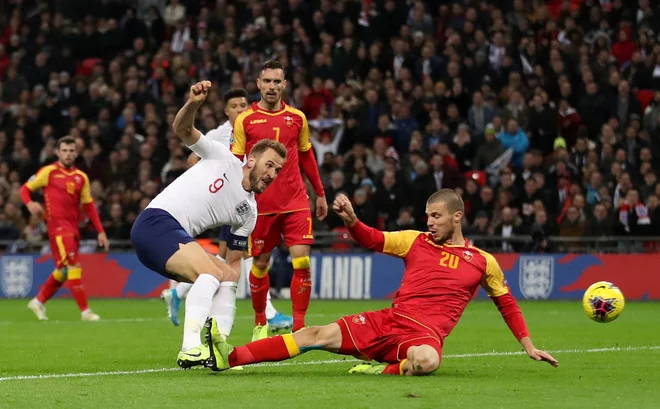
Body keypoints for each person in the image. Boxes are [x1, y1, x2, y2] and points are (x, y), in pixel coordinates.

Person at [203, 189, 559, 375]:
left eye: (436, 217)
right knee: (315, 335)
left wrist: (528, 345)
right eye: (427, 216)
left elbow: (507, 303)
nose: (430, 222)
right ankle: (229, 358)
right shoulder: (414, 240)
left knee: (429, 362)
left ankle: (389, 368)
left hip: (423, 337)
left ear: (457, 216)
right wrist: (353, 221)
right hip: (389, 321)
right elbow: (372, 239)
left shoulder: (483, 262)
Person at [130, 81, 287, 368]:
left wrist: (229, 277)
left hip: (172, 235)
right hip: (155, 222)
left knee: (224, 274)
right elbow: (182, 131)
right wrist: (192, 103)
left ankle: (219, 347)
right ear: (251, 160)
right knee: (210, 273)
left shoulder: (249, 212)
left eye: (277, 170)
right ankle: (190, 347)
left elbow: (235, 264)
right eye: (269, 165)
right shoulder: (221, 156)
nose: (272, 173)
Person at [160, 88, 293, 331]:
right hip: (225, 198)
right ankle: (268, 313)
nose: (241, 109)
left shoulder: (253, 129)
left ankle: (181, 293)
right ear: (226, 111)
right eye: (235, 106)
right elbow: (192, 158)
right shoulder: (220, 134)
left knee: (231, 258)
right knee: (243, 256)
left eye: (244, 104)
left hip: (244, 200)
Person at [230, 60, 328, 338]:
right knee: (260, 264)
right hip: (260, 205)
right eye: (267, 81)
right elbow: (236, 161)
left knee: (302, 260)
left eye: (277, 82)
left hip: (296, 200)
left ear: (284, 85)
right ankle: (261, 323)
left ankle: (299, 326)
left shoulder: (297, 117)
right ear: (258, 84)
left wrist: (319, 192)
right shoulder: (245, 119)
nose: (272, 87)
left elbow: (307, 155)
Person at [21, 136, 109, 321]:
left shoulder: (81, 177)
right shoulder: (48, 172)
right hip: (58, 228)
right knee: (73, 265)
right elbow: (24, 190)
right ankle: (85, 311)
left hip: (73, 228)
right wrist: (30, 204)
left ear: (76, 153)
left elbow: (89, 206)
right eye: (64, 151)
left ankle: (38, 301)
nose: (68, 154)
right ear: (58, 152)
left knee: (63, 269)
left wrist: (100, 230)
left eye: (71, 151)